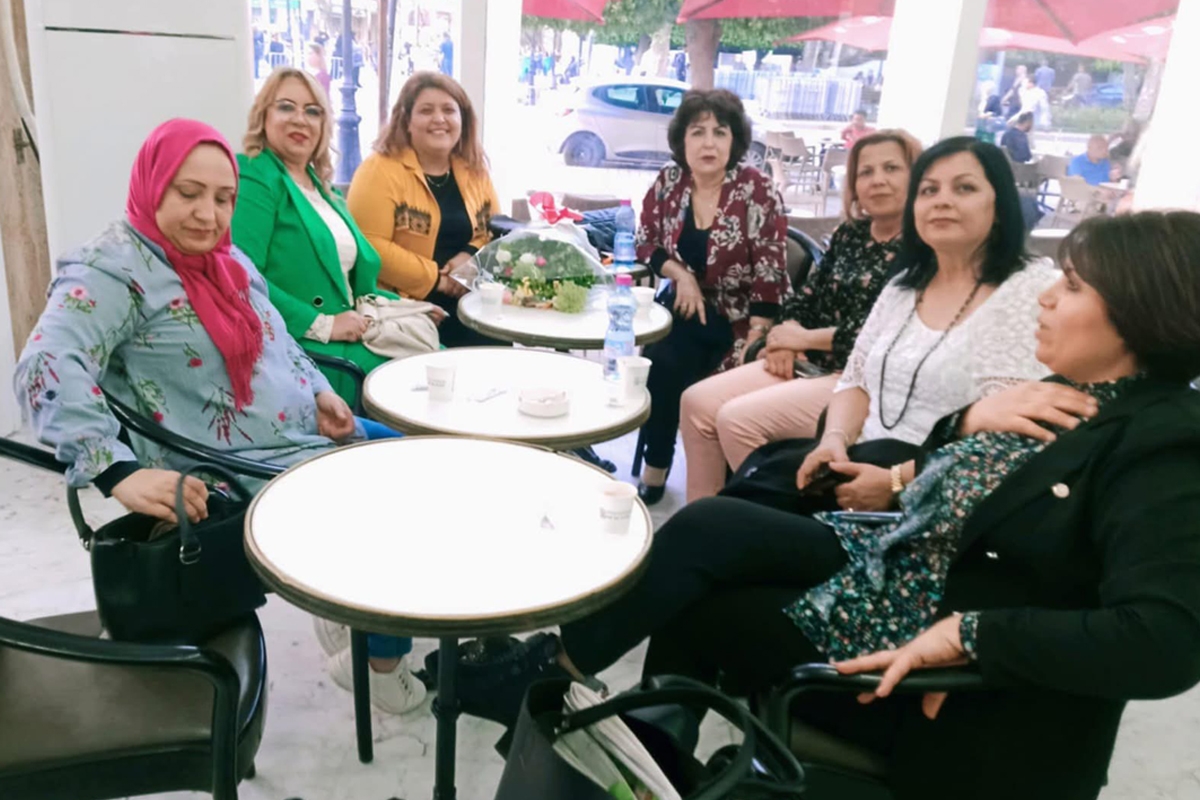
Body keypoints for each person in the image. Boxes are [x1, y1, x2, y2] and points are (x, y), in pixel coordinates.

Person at [456, 210, 1200, 800]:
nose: (1046, 296)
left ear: (1142, 309)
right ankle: (616, 732)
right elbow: (967, 479)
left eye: (1073, 286)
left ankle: (602, 724)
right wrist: (969, 422)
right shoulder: (1070, 394)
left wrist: (974, 635)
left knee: (699, 596)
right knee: (709, 529)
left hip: (948, 671)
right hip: (899, 564)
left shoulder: (1162, 443)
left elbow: (1166, 641)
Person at [13, 119, 427, 715]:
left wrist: (317, 392)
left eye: (223, 198)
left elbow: (275, 338)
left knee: (420, 459)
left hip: (299, 434)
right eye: (188, 193)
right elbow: (44, 365)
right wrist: (117, 472)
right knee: (402, 502)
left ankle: (350, 609)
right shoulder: (114, 271)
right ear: (152, 184)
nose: (209, 214)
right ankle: (380, 668)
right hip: (241, 466)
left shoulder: (224, 259)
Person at [679, 129, 924, 503]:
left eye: (891, 168)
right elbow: (806, 296)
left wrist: (805, 339)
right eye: (866, 171)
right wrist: (786, 337)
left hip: (856, 381)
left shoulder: (924, 249)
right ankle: (701, 514)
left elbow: (887, 336)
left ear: (917, 175)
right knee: (695, 402)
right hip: (807, 362)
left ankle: (772, 513)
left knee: (737, 420)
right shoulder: (850, 235)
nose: (877, 180)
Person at [631, 89, 790, 505]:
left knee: (724, 387)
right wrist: (679, 273)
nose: (708, 143)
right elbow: (645, 241)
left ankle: (725, 488)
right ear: (681, 140)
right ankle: (657, 463)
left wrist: (757, 335)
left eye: (720, 132)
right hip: (689, 304)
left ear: (734, 141)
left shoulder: (757, 189)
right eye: (697, 132)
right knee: (661, 362)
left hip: (745, 314)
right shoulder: (669, 182)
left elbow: (771, 269)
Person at [231, 68, 427, 404]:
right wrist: (323, 324)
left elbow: (348, 284)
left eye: (313, 111)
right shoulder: (254, 173)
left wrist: (405, 307)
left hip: (351, 332)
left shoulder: (324, 189)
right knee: (419, 382)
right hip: (301, 347)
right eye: (286, 107)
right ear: (262, 116)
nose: (300, 119)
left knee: (441, 359)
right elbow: (241, 276)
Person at [347, 72, 500, 348]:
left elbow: (495, 230)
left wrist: (468, 258)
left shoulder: (474, 168)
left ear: (463, 120)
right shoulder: (378, 170)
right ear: (406, 121)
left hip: (473, 299)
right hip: (405, 310)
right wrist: (438, 280)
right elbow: (370, 245)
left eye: (449, 110)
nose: (439, 119)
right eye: (426, 110)